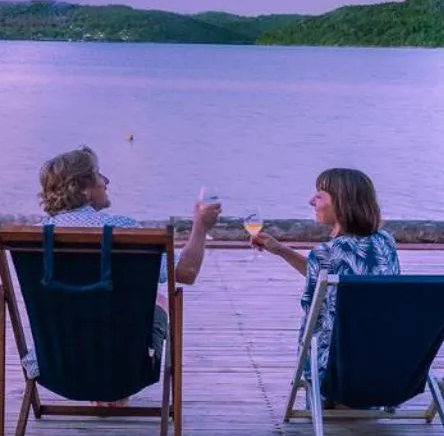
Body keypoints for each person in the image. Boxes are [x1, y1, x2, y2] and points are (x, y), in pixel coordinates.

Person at [250, 167, 400, 397]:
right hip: (385, 365)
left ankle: (330, 400)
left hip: (336, 370)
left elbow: (313, 312)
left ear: (341, 202)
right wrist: (280, 250)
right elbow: (326, 279)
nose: (311, 201)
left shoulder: (326, 253)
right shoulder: (385, 242)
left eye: (319, 195)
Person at [36, 145, 220, 286]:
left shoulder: (34, 236)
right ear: (83, 188)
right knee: (159, 302)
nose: (106, 182)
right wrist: (200, 226)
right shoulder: (121, 228)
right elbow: (185, 272)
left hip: (52, 333)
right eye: (99, 175)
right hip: (121, 334)